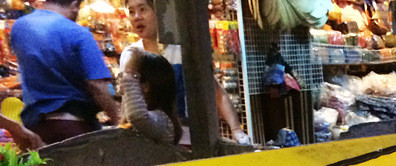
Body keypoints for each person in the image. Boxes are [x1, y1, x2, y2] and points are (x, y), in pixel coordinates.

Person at [121, 0, 249, 145]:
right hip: (148, 142)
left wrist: (237, 130)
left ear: (160, 11)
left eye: (143, 9)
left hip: (190, 139)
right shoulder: (130, 55)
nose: (137, 17)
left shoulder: (183, 49)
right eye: (131, 11)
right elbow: (129, 104)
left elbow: (217, 93)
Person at [9, 0, 122, 145]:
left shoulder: (19, 27)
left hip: (33, 129)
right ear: (75, 4)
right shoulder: (79, 34)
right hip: (73, 128)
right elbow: (99, 86)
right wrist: (121, 122)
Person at [119, 48, 181, 144]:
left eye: (129, 78)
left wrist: (129, 77)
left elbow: (137, 116)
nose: (123, 81)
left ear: (146, 86)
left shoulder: (163, 123)